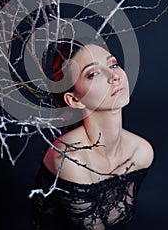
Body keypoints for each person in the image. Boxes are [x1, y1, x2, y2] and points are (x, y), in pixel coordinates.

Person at [30, 38, 154, 229]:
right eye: (93, 73)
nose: (115, 76)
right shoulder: (67, 159)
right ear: (74, 99)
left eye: (113, 64)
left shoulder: (141, 152)